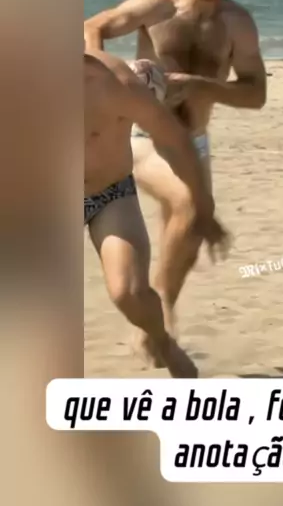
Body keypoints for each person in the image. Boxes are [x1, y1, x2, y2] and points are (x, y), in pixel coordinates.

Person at [84, 0, 267, 335]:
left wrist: (203, 86)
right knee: (190, 205)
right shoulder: (157, 7)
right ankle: (159, 322)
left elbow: (256, 94)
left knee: (187, 232)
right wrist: (106, 81)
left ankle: (160, 307)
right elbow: (93, 27)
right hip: (145, 137)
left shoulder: (237, 23)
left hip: (195, 140)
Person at [84, 47, 228, 377]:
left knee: (129, 293)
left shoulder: (116, 82)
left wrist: (202, 205)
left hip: (109, 195)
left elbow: (174, 139)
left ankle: (162, 341)